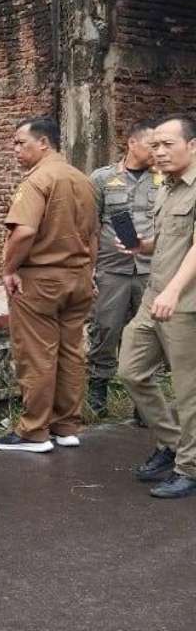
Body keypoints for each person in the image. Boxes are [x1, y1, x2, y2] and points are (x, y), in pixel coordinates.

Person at [0, 117, 98, 453]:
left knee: (37, 355)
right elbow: (93, 235)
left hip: (41, 280)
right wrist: (88, 271)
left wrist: (10, 269)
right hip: (78, 278)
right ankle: (66, 426)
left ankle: (33, 431)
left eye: (20, 142)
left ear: (44, 144)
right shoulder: (82, 179)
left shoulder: (38, 180)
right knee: (72, 353)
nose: (15, 150)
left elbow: (23, 231)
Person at [117, 114, 196, 499]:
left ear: (192, 146)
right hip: (155, 296)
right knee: (131, 371)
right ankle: (173, 444)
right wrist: (140, 246)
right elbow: (170, 242)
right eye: (155, 145)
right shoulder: (166, 187)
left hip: (185, 304)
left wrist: (174, 291)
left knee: (189, 390)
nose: (159, 152)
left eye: (168, 144)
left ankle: (190, 468)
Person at [87, 120, 162, 416]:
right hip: (112, 271)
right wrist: (89, 271)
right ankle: (98, 393)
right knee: (105, 330)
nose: (157, 151)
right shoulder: (102, 179)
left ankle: (143, 406)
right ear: (132, 143)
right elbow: (91, 228)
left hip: (149, 271)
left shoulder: (163, 179)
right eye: (152, 145)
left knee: (148, 336)